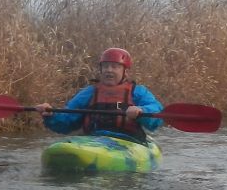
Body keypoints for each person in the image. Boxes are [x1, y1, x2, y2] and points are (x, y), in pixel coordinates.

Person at [35, 47, 164, 140]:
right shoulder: (89, 93)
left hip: (129, 142)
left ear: (125, 72)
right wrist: (51, 115)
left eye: (115, 67)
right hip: (94, 141)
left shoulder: (138, 92)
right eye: (105, 66)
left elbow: (157, 113)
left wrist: (141, 111)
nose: (109, 70)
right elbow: (67, 121)